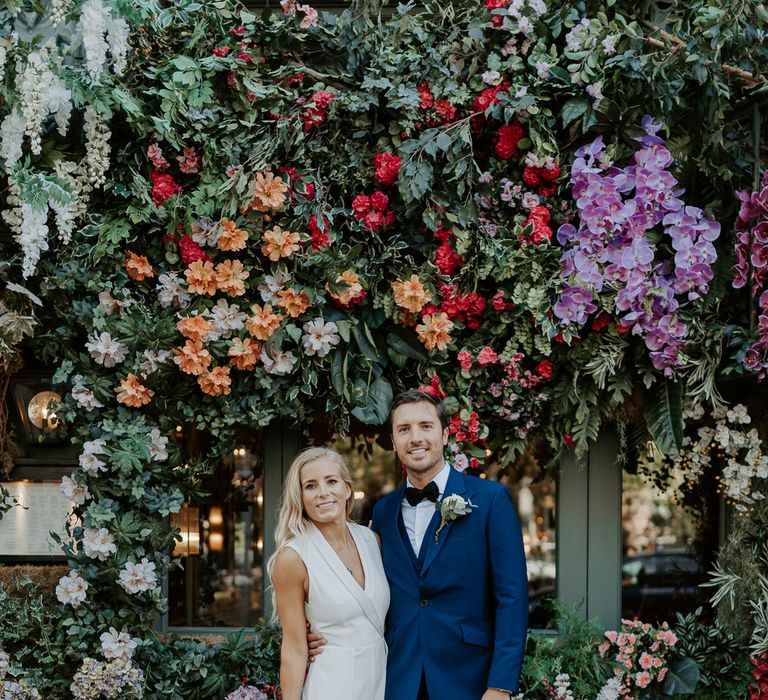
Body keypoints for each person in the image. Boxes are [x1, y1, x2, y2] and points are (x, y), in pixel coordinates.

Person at [311, 388, 528, 699]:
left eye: (425, 426)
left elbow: (512, 598)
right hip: (399, 678)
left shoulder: (490, 501)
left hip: (470, 679)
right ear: (394, 441)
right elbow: (369, 590)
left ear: (444, 434)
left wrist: (500, 685)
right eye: (404, 429)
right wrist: (320, 630)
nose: (415, 438)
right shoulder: (383, 511)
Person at [268, 447, 390, 700]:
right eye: (310, 486)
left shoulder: (372, 541)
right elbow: (293, 648)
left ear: (347, 489)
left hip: (381, 679)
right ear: (300, 497)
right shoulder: (293, 558)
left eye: (331, 481)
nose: (323, 492)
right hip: (331, 684)